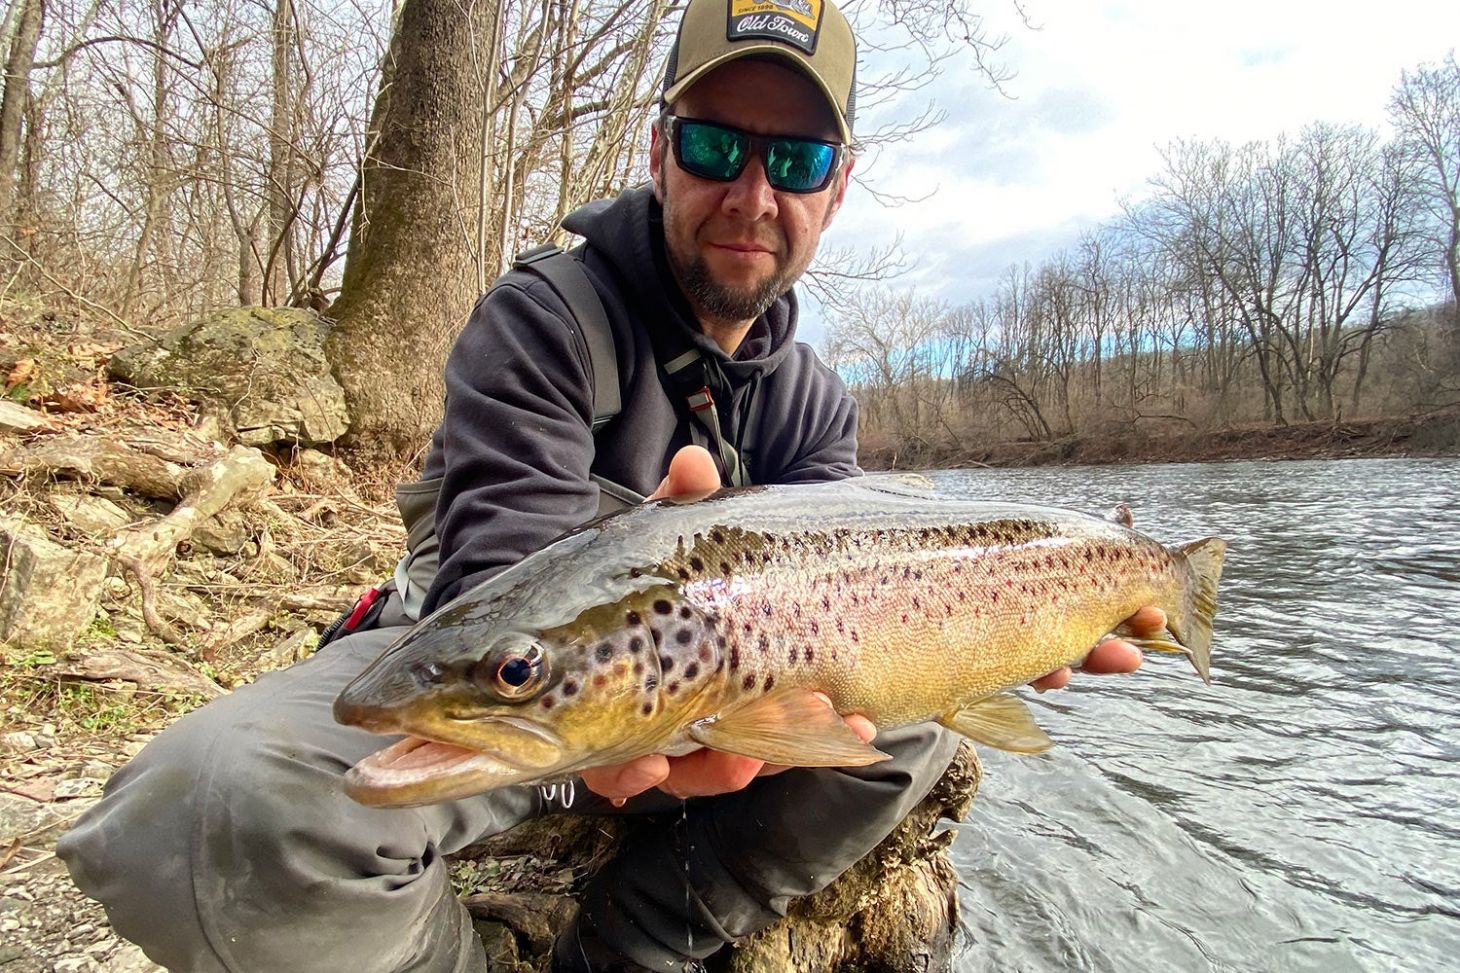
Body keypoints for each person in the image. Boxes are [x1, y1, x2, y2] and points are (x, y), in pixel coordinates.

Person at [56, 1, 1151, 970]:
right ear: (662, 149)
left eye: (799, 162)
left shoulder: (813, 398)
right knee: (201, 803)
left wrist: (997, 631)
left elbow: (857, 627)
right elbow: (492, 585)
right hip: (510, 689)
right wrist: (633, 717)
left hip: (703, 722)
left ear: (838, 183)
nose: (753, 194)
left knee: (912, 732)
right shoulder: (544, 318)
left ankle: (631, 944)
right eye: (717, 144)